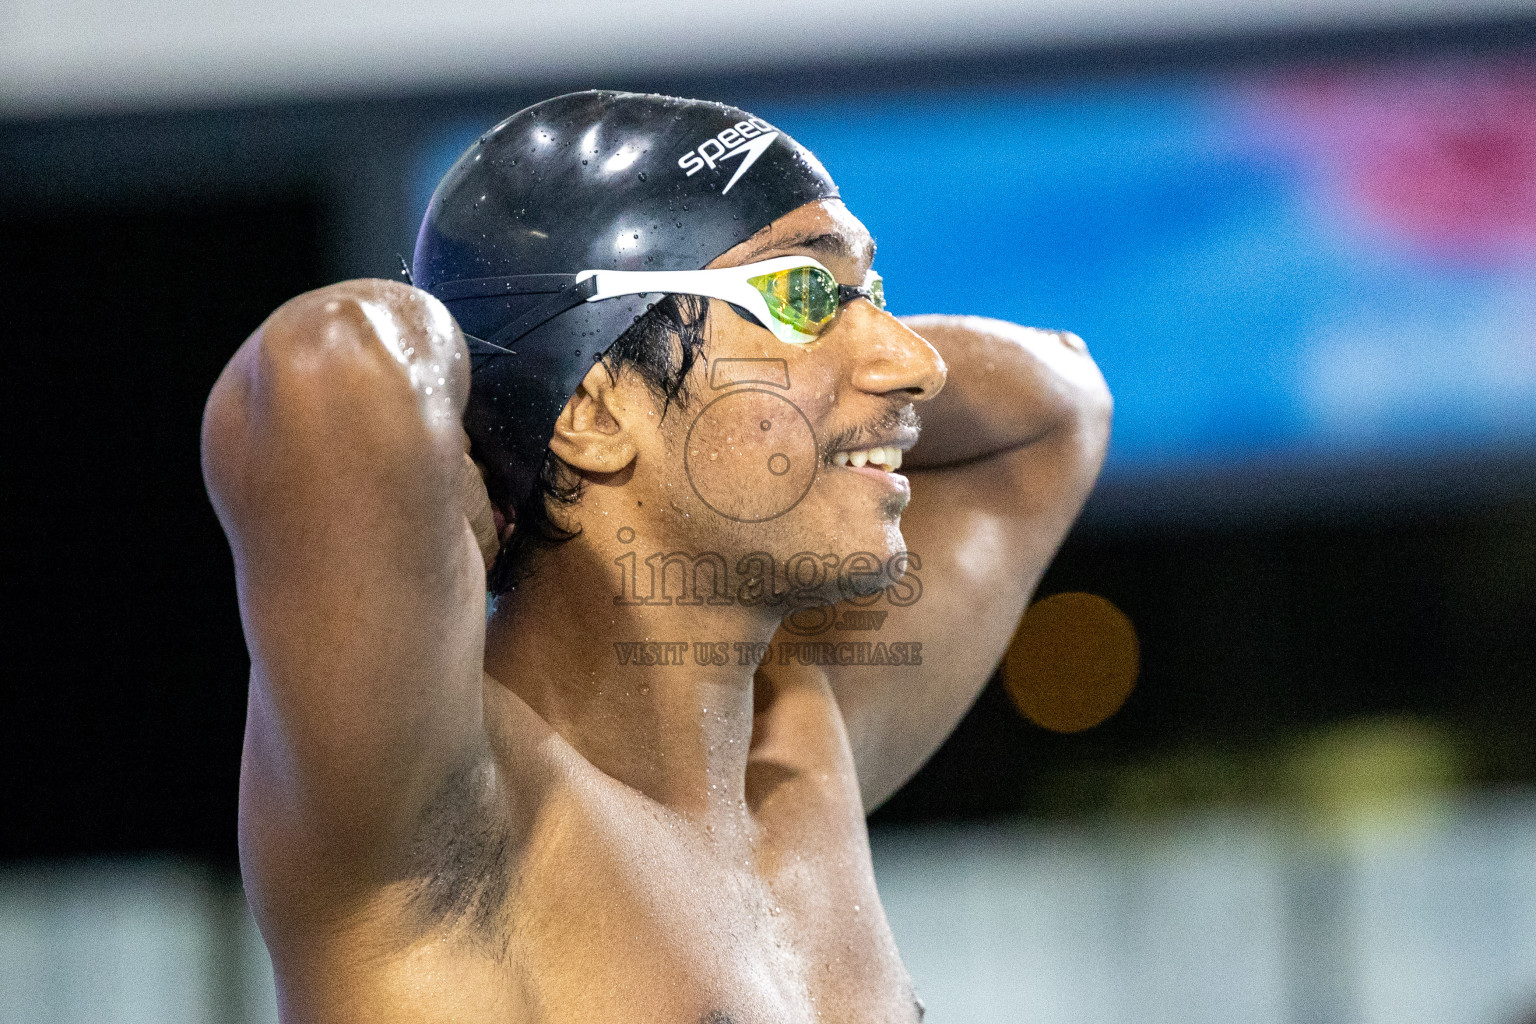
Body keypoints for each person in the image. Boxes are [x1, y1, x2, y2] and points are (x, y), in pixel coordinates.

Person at [202, 90, 1111, 1023]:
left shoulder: (803, 751)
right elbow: (333, 363)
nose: (913, 360)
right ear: (595, 412)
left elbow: (1062, 401)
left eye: (866, 295)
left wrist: (541, 403)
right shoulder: (445, 819)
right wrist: (491, 424)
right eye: (802, 295)